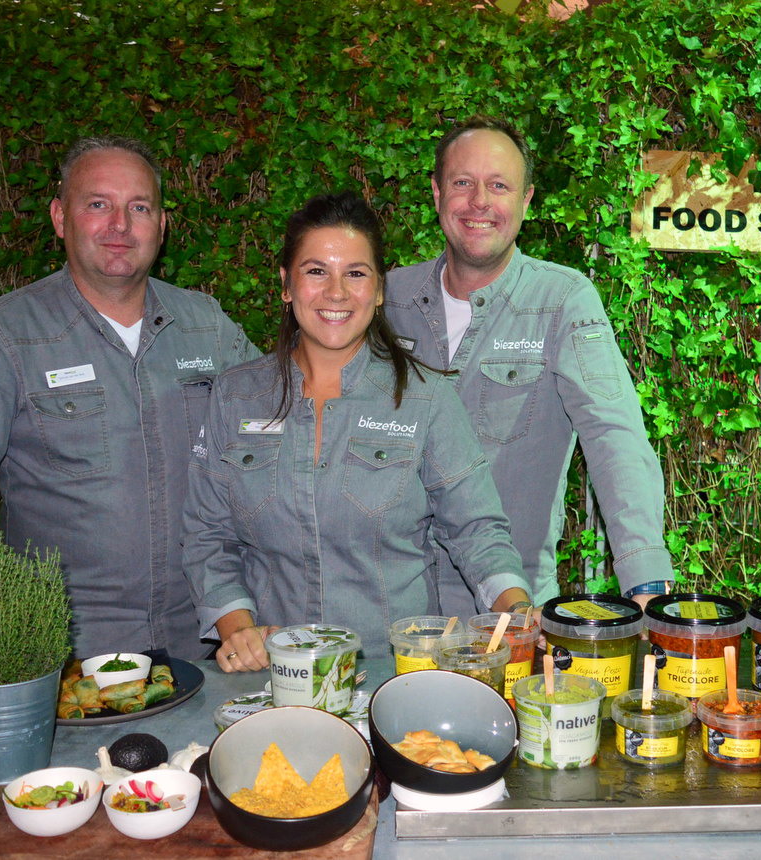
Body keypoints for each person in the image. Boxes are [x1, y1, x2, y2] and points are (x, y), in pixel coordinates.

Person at [0, 137, 259, 659]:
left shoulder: (206, 325)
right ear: (59, 217)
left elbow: (281, 422)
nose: (120, 225)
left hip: (204, 645)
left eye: (139, 207)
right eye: (98, 204)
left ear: (162, 225)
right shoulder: (3, 335)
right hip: (64, 654)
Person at [182, 192, 530, 671]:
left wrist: (517, 610)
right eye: (316, 271)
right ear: (286, 285)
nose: (336, 292)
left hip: (395, 675)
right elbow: (207, 536)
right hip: (273, 676)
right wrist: (238, 630)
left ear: (379, 289)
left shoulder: (426, 399)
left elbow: (477, 532)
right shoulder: (234, 396)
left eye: (356, 273)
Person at [385, 116, 673, 615]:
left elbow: (614, 436)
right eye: (462, 182)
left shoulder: (562, 300)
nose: (479, 201)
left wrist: (645, 581)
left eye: (499, 186)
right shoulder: (387, 298)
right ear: (436, 193)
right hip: (392, 611)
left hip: (513, 617)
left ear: (527, 200)